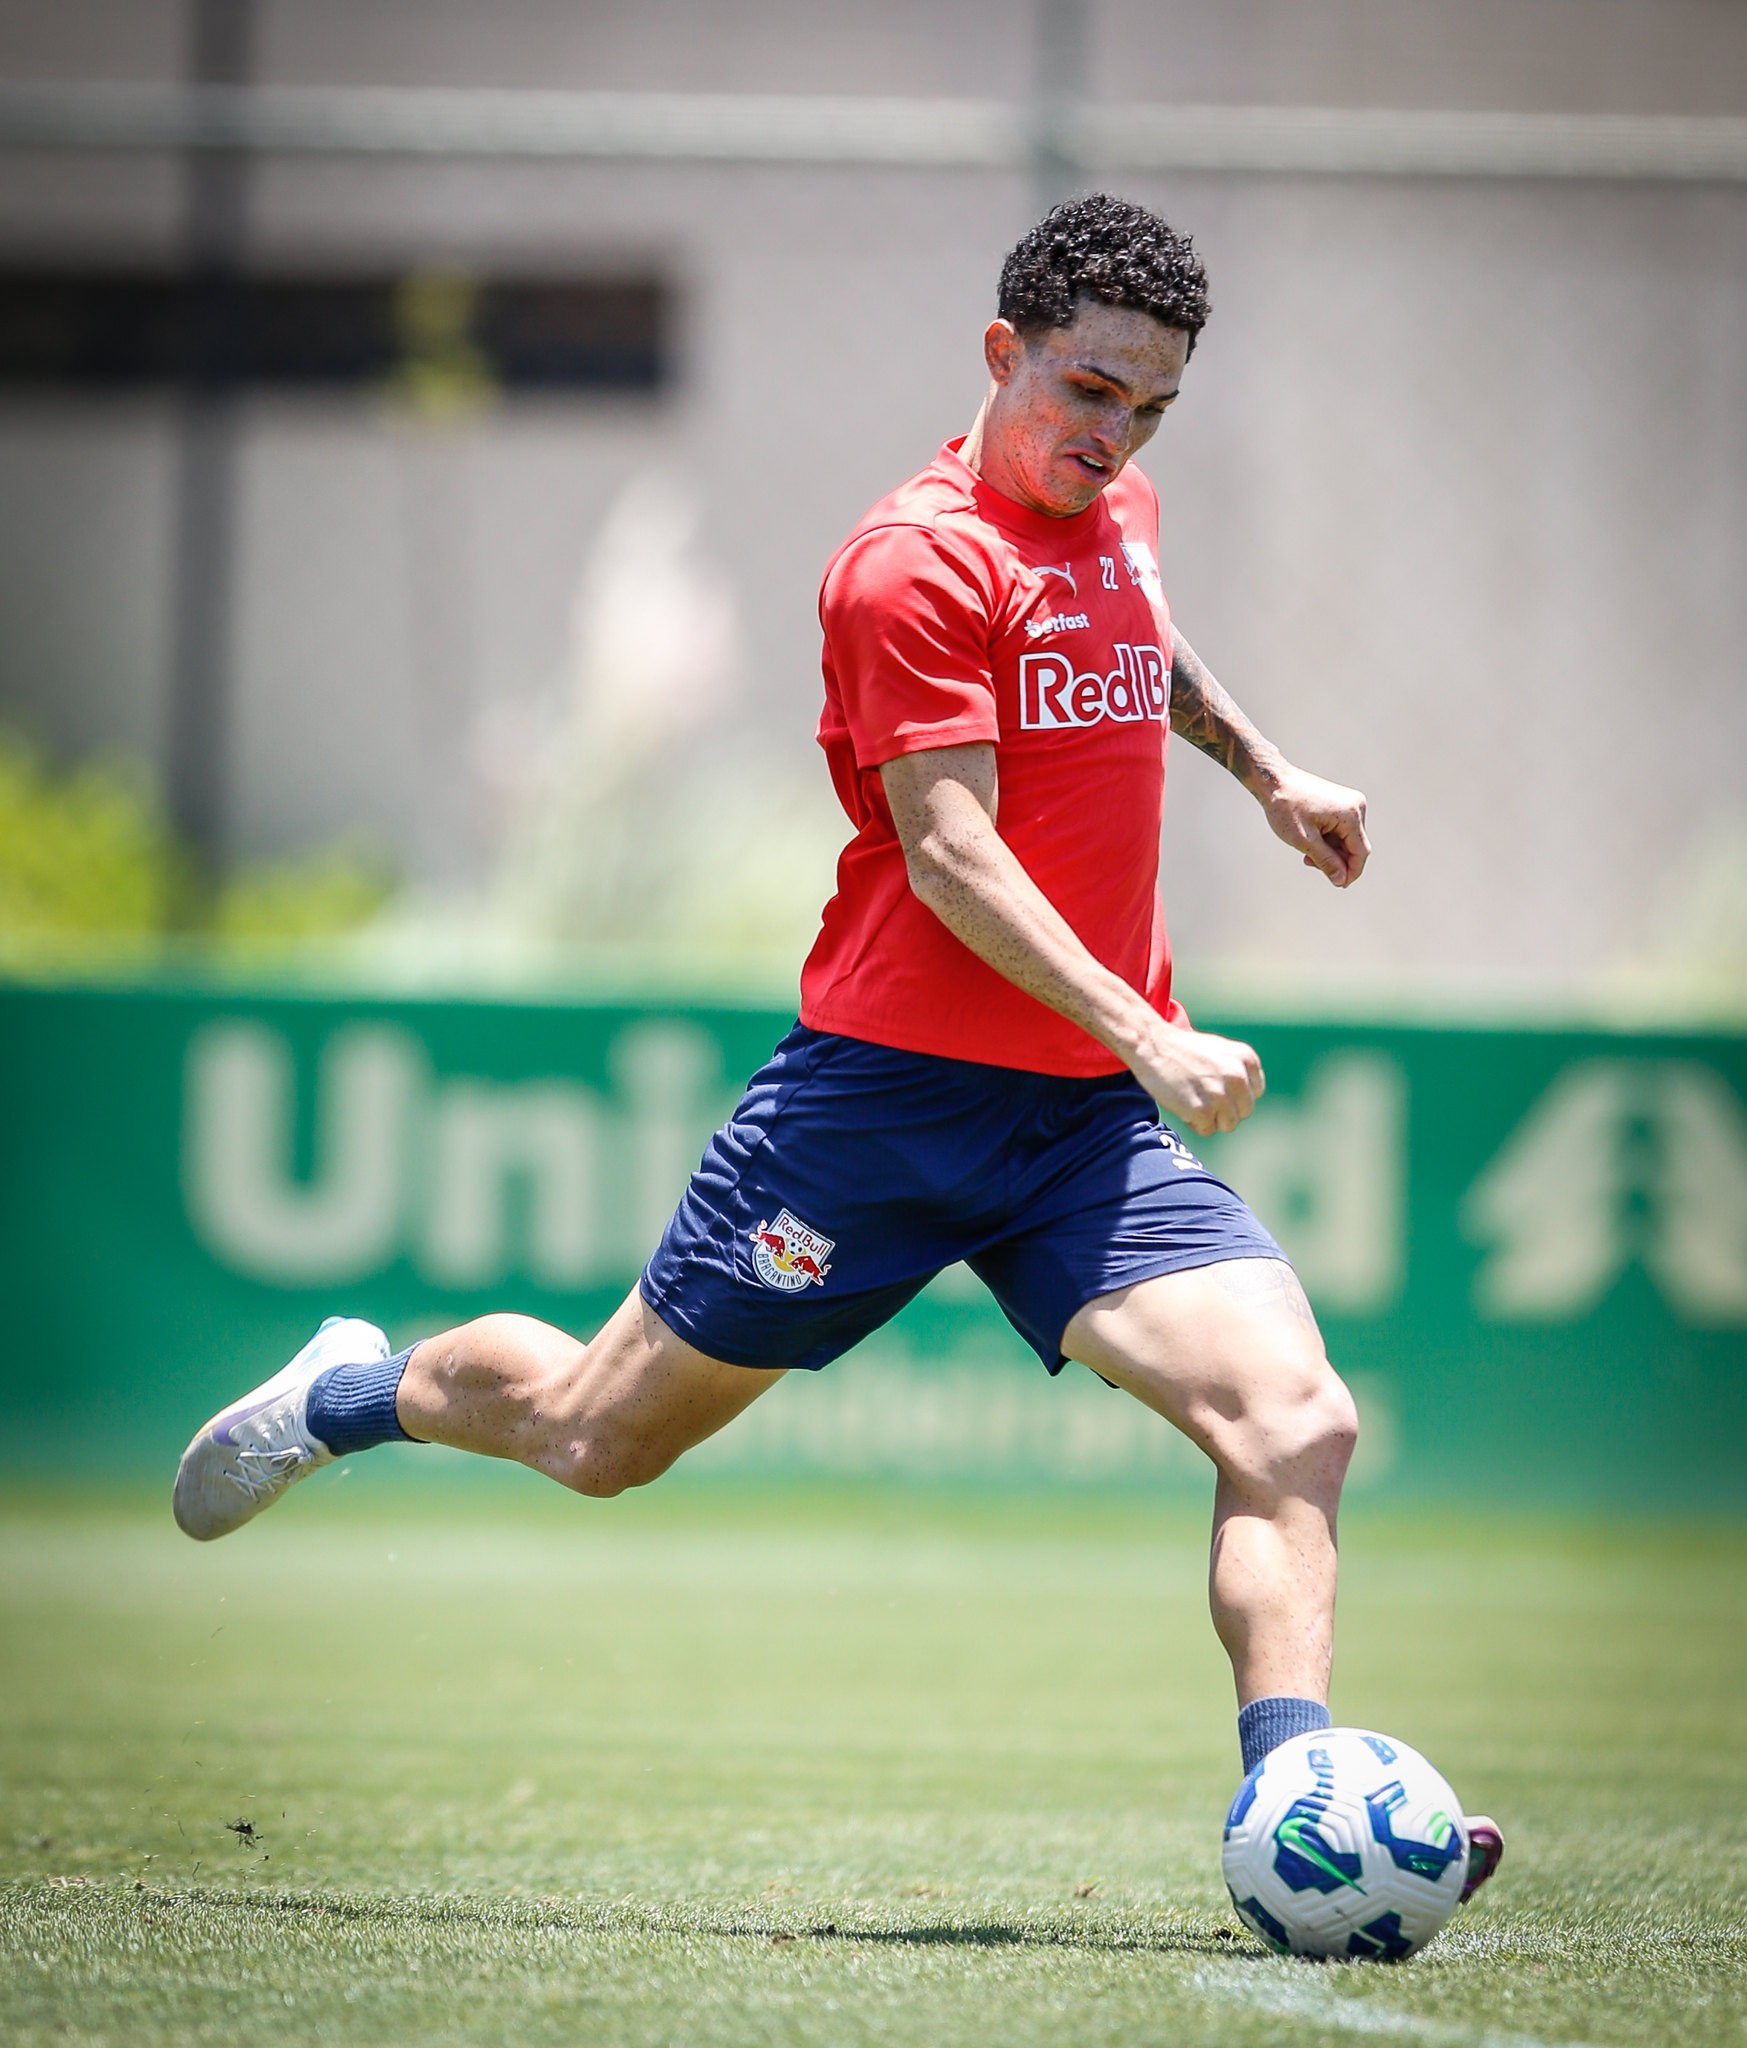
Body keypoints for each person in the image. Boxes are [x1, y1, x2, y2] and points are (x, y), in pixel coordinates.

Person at [173, 194, 1499, 1897]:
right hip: (880, 1110)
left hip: (1079, 1125)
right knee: (595, 1438)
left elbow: (1132, 638)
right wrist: (1151, 1031)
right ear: (1003, 352)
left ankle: (1302, 1808)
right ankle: (345, 1395)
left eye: (1153, 407)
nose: (1117, 437)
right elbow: (951, 853)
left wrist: (1272, 770)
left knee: (1295, 1422)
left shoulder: (1118, 509)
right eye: (1091, 392)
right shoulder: (910, 564)